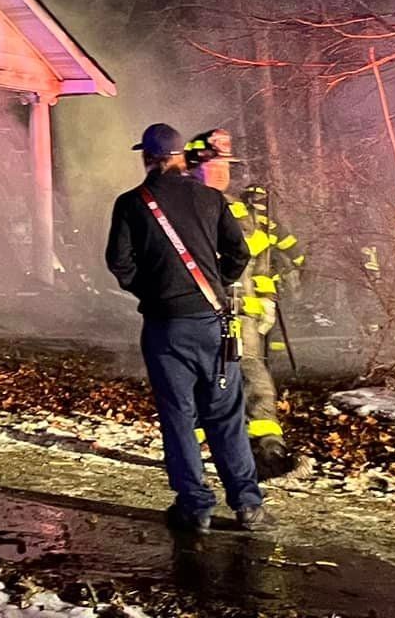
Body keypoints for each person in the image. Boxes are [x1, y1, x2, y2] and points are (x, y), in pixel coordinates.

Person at [106, 123, 268, 535]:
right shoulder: (211, 198)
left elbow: (120, 263)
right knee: (226, 415)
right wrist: (219, 283)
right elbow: (240, 253)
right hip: (214, 324)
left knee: (178, 416)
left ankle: (196, 508)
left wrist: (155, 292)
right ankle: (248, 505)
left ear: (146, 157)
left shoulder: (131, 203)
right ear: (181, 156)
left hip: (165, 328)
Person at [188, 128, 306, 478]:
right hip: (200, 312)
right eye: (216, 163)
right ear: (196, 164)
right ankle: (193, 448)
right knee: (202, 379)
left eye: (227, 163)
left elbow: (260, 259)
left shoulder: (239, 209)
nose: (224, 170)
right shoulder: (184, 205)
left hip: (244, 314)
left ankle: (268, 448)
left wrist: (266, 298)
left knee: (255, 376)